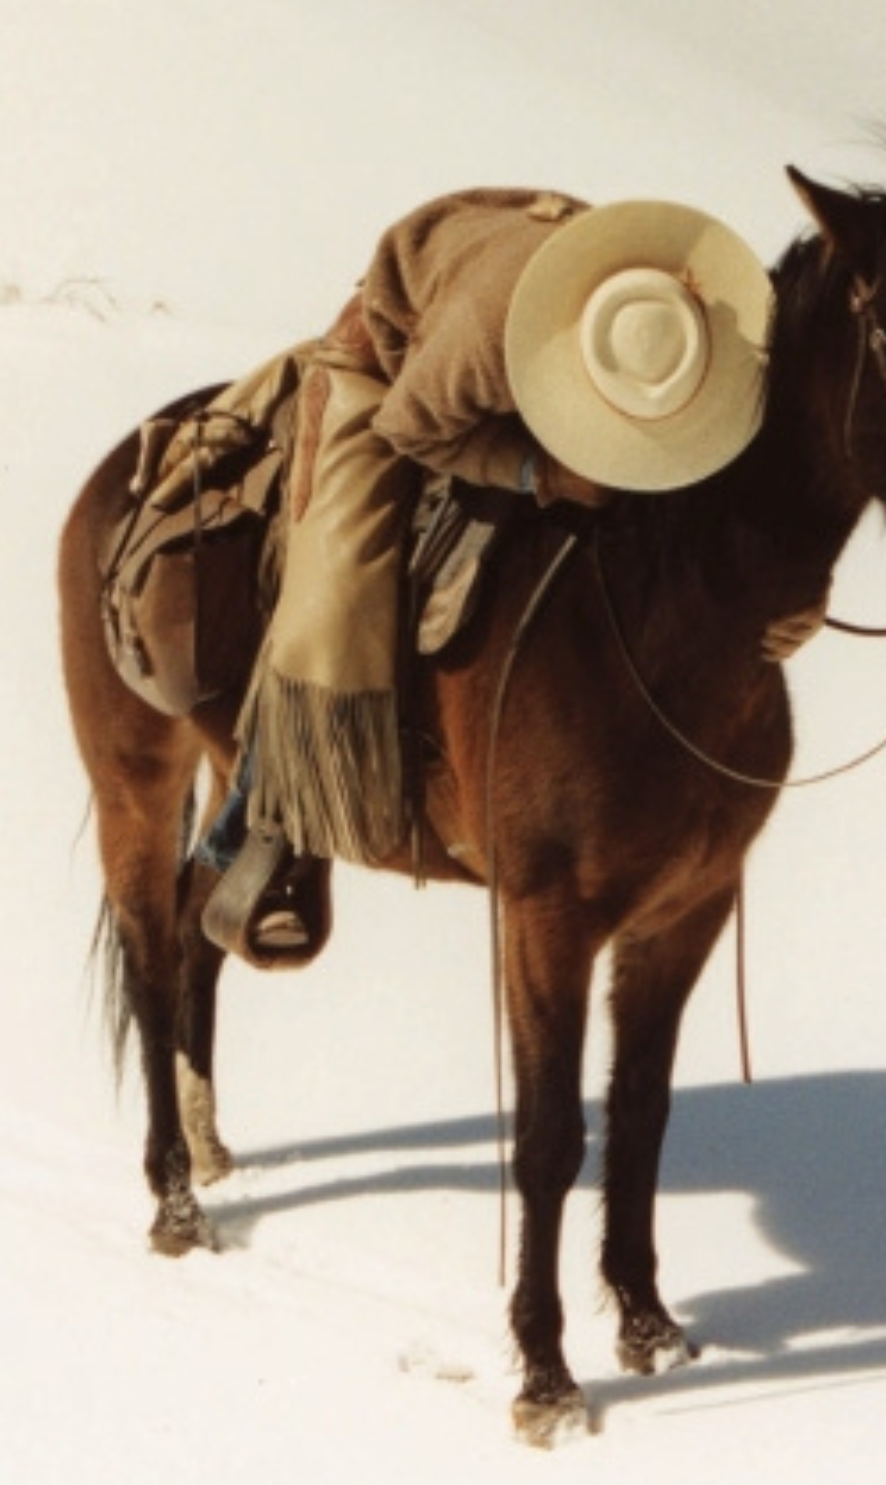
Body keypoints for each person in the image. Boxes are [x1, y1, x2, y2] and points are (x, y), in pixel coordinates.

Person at [199, 185, 795, 962]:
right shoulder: (481, 343)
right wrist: (535, 473)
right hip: (396, 367)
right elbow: (412, 427)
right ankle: (264, 811)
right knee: (336, 587)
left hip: (537, 321)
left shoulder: (689, 334)